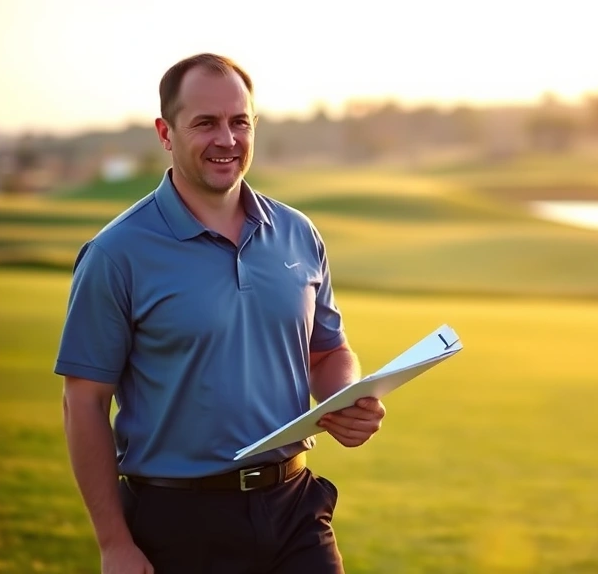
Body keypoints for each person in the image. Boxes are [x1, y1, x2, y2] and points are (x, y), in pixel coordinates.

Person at [55, 53, 385, 574]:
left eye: (239, 122)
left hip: (296, 505)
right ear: (166, 133)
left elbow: (327, 350)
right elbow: (84, 403)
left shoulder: (298, 233)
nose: (227, 140)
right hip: (178, 521)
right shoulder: (116, 253)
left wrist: (348, 397)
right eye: (205, 123)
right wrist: (114, 543)